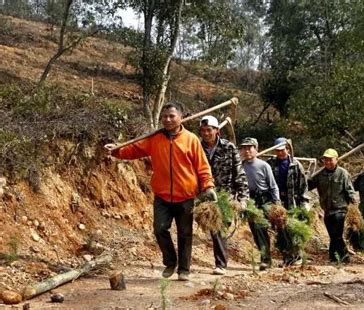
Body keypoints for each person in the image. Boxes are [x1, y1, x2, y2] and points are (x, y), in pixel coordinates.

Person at [105, 102, 217, 281]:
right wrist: (116, 151)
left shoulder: (191, 140)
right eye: (165, 116)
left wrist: (208, 186)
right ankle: (170, 262)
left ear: (181, 117)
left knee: (185, 233)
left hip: (186, 195)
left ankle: (184, 270)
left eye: (172, 116)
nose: (168, 119)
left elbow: (202, 166)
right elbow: (134, 150)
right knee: (159, 229)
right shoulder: (155, 138)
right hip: (162, 196)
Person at [199, 115, 249, 275]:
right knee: (215, 229)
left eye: (209, 130)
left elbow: (239, 174)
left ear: (217, 130)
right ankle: (220, 263)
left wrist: (243, 199)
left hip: (225, 196)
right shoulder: (197, 148)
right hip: (204, 196)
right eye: (203, 130)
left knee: (220, 227)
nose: (206, 133)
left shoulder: (229, 147)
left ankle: (220, 264)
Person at [266, 137, 310, 266]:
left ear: (287, 149)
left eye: (282, 150)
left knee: (293, 229)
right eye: (277, 150)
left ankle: (297, 257)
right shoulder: (270, 164)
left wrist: (304, 203)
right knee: (281, 230)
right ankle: (286, 257)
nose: (280, 153)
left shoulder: (296, 165)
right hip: (277, 202)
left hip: (293, 202)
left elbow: (303, 186)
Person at [308, 148, 356, 263]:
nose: (328, 162)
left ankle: (337, 256)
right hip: (327, 210)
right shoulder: (320, 174)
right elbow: (308, 185)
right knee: (333, 235)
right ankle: (339, 256)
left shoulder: (343, 173)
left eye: (330, 160)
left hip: (340, 209)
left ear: (336, 160)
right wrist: (304, 180)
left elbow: (349, 190)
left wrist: (354, 203)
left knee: (337, 234)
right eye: (326, 160)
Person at [240, 137, 280, 270]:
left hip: (264, 200)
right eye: (244, 148)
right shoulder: (241, 166)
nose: (246, 151)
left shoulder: (264, 166)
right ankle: (265, 258)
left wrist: (277, 203)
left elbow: (273, 186)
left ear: (256, 150)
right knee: (256, 230)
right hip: (250, 201)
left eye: (249, 148)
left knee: (260, 227)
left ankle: (267, 260)